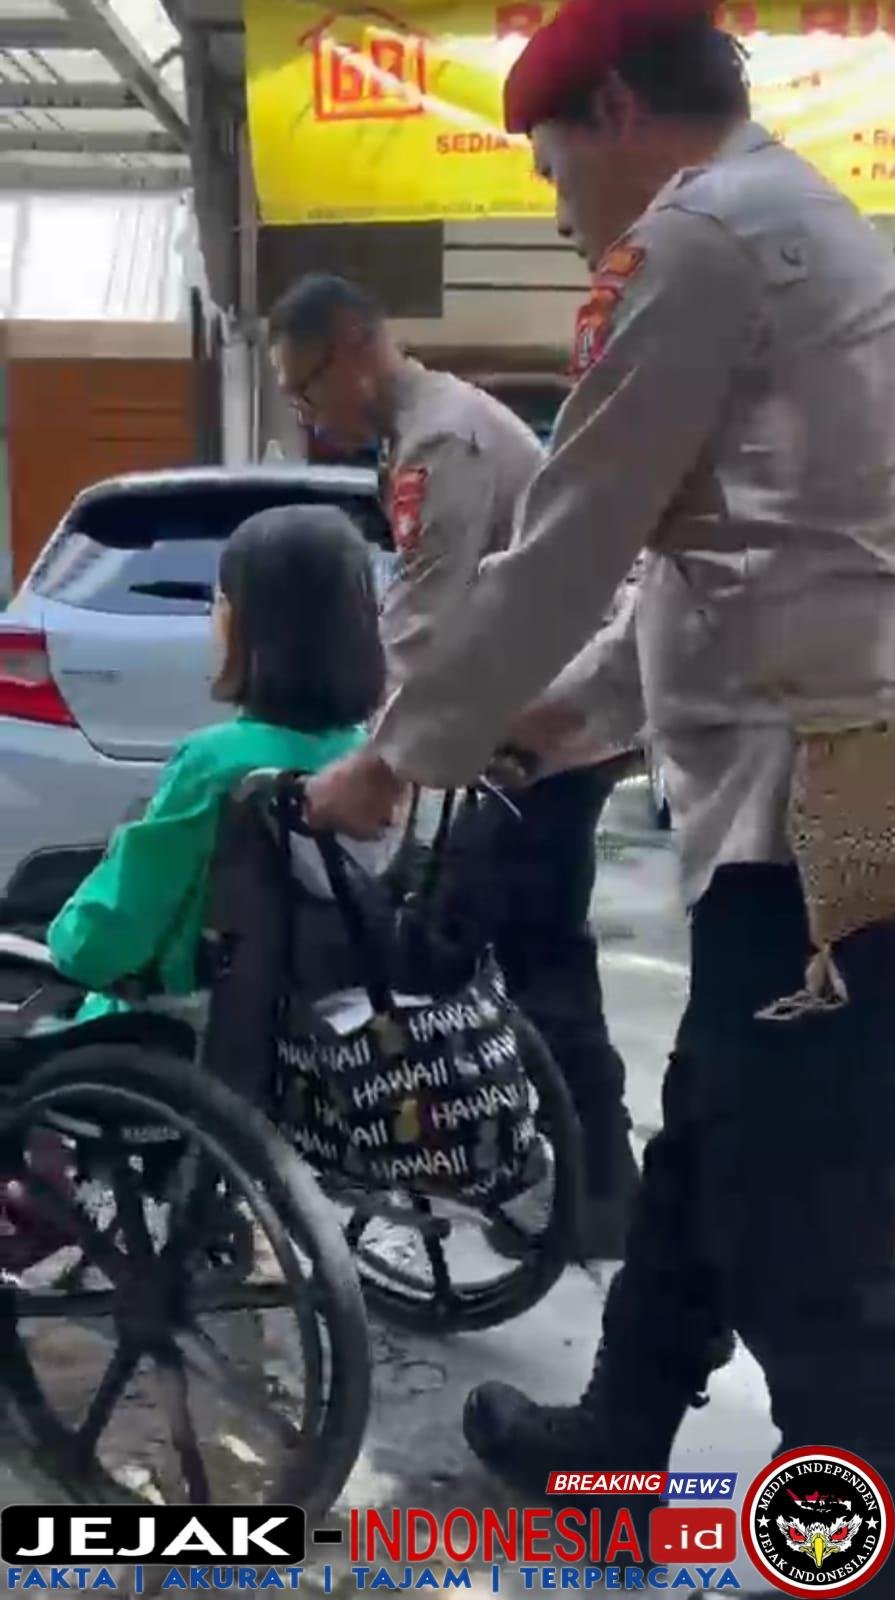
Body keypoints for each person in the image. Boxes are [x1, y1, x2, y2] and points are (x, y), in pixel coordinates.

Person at [303, 0, 895, 1530]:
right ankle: (613, 1449)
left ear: (618, 110)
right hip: (823, 780)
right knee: (709, 1141)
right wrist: (536, 724)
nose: (553, 204)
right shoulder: (795, 227)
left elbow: (572, 543)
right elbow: (708, 576)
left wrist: (393, 760)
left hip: (830, 803)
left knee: (798, 1215)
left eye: (551, 163)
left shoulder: (698, 242)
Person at [268, 274, 639, 1258]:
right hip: (530, 730)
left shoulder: (444, 443)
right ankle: (594, 1186)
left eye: (306, 385)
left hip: (547, 735)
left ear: (355, 346)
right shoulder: (421, 434)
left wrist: (367, 761)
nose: (307, 412)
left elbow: (423, 626)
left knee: (497, 949)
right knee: (533, 953)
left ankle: (586, 1191)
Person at [47, 505, 384, 1016]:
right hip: (326, 1028)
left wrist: (63, 938)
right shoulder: (376, 765)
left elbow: (102, 944)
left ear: (240, 624)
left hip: (180, 1032)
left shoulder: (218, 764)